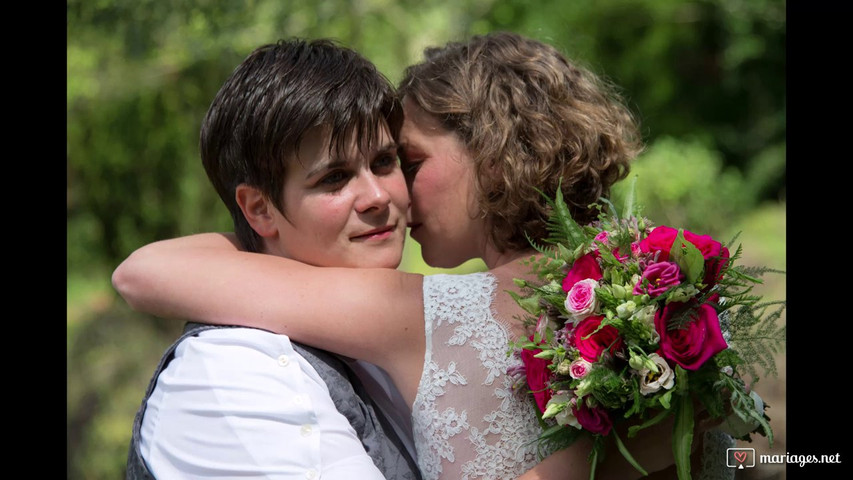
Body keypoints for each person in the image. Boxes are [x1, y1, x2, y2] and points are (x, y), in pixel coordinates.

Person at [114, 32, 733, 479]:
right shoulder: (676, 302)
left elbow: (143, 272)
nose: (389, 195)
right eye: (336, 179)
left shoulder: (419, 312)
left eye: (399, 163)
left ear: (489, 156)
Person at [119, 38, 422, 480]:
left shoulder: (363, 332)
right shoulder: (235, 375)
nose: (377, 197)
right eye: (334, 178)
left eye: (383, 161)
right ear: (260, 209)